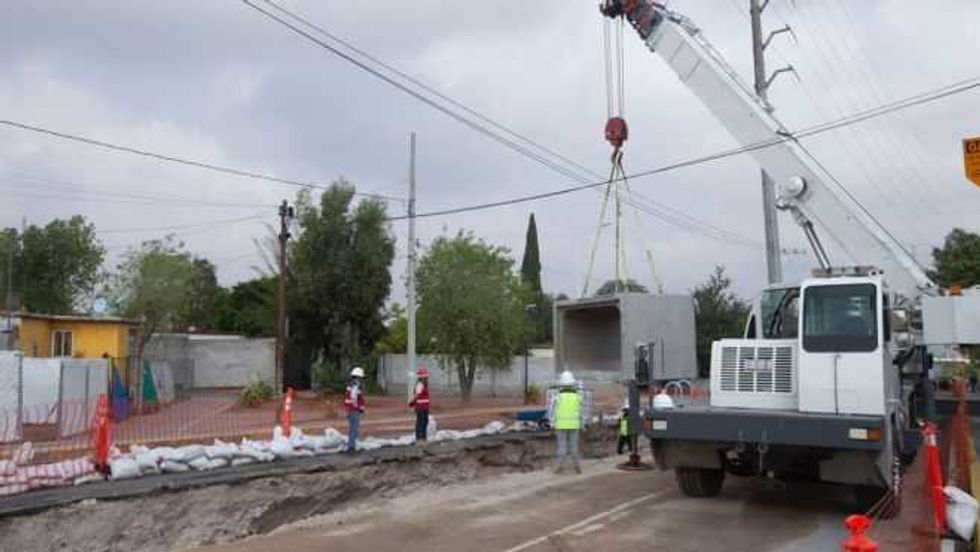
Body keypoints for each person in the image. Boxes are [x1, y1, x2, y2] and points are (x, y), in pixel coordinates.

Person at [549, 370, 583, 474]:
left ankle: (558, 467)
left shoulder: (557, 397)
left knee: (562, 448)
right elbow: (581, 412)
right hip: (574, 425)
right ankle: (577, 466)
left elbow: (551, 411)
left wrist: (551, 423)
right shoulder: (578, 397)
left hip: (560, 425)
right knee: (574, 447)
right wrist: (582, 424)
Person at [343, 367, 366, 453]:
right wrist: (360, 408)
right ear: (358, 377)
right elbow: (354, 398)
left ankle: (351, 445)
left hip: (350, 409)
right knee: (354, 429)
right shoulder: (355, 385)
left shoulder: (350, 384)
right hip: (353, 410)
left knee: (352, 428)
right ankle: (351, 447)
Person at [410, 366, 431, 443]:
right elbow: (417, 395)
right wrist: (412, 402)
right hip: (420, 407)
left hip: (424, 407)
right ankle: (420, 438)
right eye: (425, 377)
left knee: (425, 422)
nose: (426, 378)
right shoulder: (420, 385)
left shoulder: (424, 385)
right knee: (421, 423)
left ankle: (423, 438)